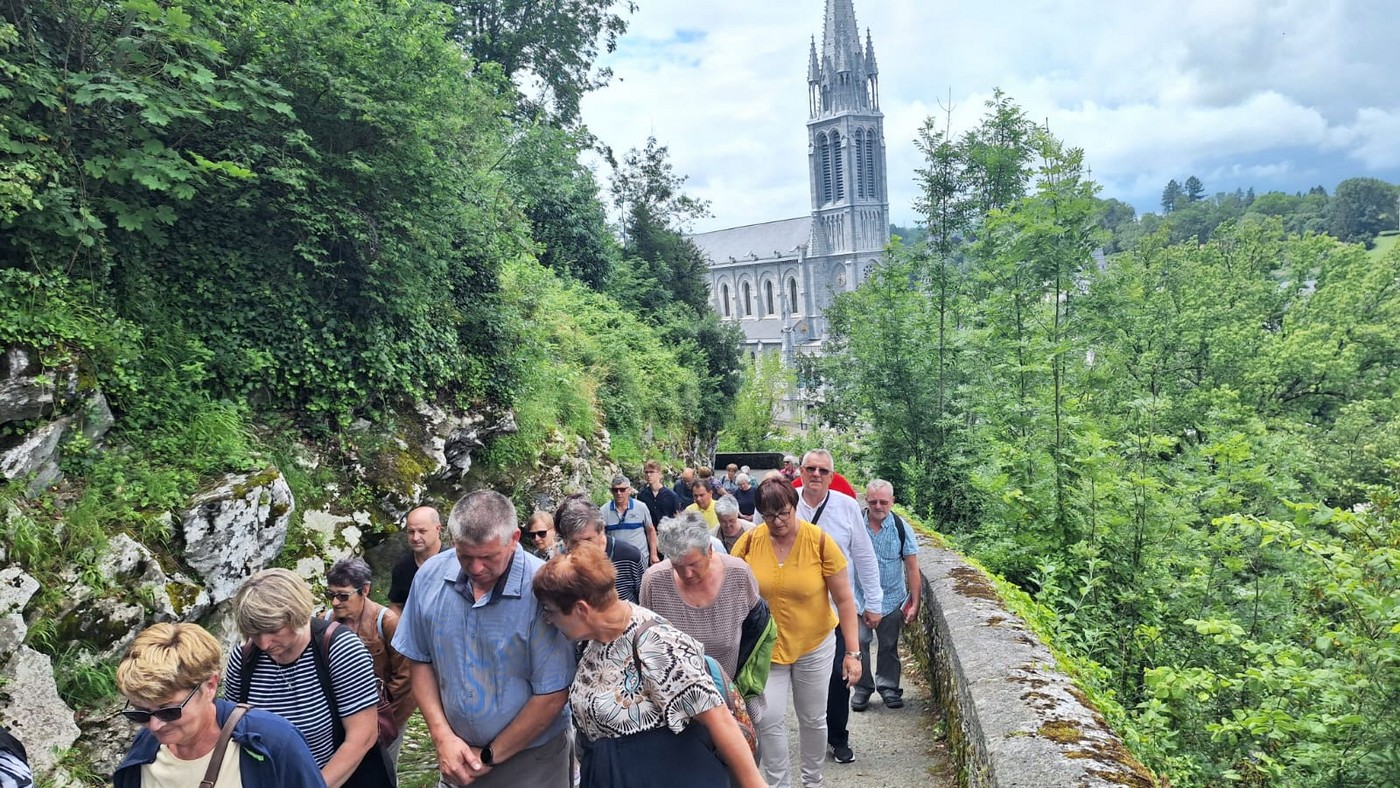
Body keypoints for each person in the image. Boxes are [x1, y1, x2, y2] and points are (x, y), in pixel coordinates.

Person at [533, 545, 765, 788]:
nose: (549, 620)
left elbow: (720, 720)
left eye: (551, 611)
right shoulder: (594, 641)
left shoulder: (656, 644)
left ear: (582, 609)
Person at [392, 490, 575, 788]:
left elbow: (553, 693)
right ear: (452, 541)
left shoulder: (543, 589)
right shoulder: (429, 577)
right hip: (455, 757)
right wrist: (442, 738)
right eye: (466, 556)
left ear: (514, 539)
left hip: (532, 763)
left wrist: (488, 755)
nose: (476, 569)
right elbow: (420, 659)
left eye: (489, 557)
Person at [731, 479, 862, 788]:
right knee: (768, 719)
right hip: (767, 649)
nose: (778, 522)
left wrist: (853, 654)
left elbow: (844, 599)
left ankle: (813, 781)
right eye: (768, 516)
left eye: (784, 513)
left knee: (813, 718)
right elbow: (730, 588)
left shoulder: (818, 541)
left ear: (796, 507)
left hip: (813, 644)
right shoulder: (749, 542)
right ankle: (779, 785)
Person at [225, 569, 390, 788]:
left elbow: (363, 735)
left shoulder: (340, 650)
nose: (264, 644)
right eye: (254, 633)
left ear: (296, 616)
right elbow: (232, 730)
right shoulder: (244, 658)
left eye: (272, 629)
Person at [114, 622, 324, 788]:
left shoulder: (276, 742)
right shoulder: (144, 748)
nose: (154, 726)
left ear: (210, 685)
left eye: (168, 711)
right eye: (140, 713)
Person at [793, 448, 882, 765]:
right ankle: (808, 733)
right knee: (794, 677)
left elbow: (864, 557)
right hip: (792, 613)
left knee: (838, 677)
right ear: (801, 472)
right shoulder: (786, 505)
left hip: (837, 611)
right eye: (811, 469)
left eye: (823, 471)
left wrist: (873, 602)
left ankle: (837, 737)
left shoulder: (846, 508)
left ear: (831, 476)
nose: (816, 474)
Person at [641, 513, 766, 724]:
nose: (687, 573)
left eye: (693, 564)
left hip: (732, 696)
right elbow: (645, 643)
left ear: (709, 550)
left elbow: (758, 630)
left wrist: (750, 684)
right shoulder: (654, 582)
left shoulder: (738, 574)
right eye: (677, 565)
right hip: (677, 704)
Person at [325, 557, 415, 777]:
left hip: (386, 716)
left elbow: (405, 676)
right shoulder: (325, 622)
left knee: (383, 771)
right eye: (331, 595)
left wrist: (382, 719)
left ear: (365, 590)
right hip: (343, 717)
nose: (336, 602)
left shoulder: (387, 622)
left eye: (343, 595)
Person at [851, 480, 922, 712]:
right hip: (859, 600)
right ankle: (862, 689)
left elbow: (912, 567)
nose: (878, 506)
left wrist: (915, 601)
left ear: (892, 502)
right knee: (859, 643)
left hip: (891, 599)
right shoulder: (854, 525)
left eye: (883, 502)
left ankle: (889, 688)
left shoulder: (902, 528)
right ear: (866, 502)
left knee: (889, 645)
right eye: (873, 502)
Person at [554, 495, 644, 603]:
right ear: (566, 541)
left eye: (588, 540)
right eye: (575, 543)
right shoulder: (562, 563)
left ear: (601, 530)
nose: (582, 547)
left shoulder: (629, 557)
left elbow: (646, 599)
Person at [389, 506, 447, 614]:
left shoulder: (455, 563)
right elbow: (396, 605)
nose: (415, 538)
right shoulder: (403, 567)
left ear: (438, 529)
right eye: (411, 532)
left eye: (422, 531)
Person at [601, 475, 658, 565]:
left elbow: (650, 531)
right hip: (615, 561)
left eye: (622, 490)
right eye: (615, 490)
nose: (619, 493)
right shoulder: (604, 511)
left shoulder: (641, 507)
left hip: (640, 559)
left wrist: (654, 554)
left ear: (629, 490)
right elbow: (600, 536)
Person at [635, 460, 681, 529]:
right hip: (648, 533)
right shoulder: (642, 495)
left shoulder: (671, 496)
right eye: (646, 472)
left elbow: (677, 517)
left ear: (659, 474)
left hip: (667, 533)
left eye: (652, 472)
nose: (648, 475)